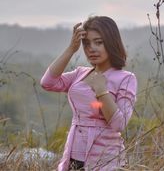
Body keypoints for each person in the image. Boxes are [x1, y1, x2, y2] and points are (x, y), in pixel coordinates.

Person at [40, 16, 137, 171]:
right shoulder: (80, 73)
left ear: (111, 42)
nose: (91, 48)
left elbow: (119, 124)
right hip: (73, 158)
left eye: (98, 42)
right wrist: (72, 48)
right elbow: (47, 83)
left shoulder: (126, 78)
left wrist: (101, 90)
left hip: (106, 161)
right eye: (86, 44)